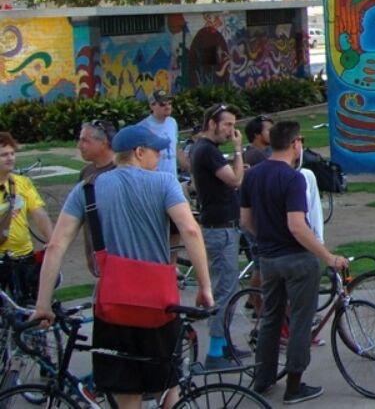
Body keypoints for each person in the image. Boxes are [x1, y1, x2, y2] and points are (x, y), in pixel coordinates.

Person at [32, 125, 212, 409]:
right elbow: (190, 230)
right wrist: (204, 286)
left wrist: (43, 304)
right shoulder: (165, 183)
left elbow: (55, 246)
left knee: (126, 389)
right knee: (167, 385)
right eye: (155, 151)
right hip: (159, 304)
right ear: (139, 152)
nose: (159, 157)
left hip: (113, 304)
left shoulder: (87, 189)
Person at [238, 120, 347, 402]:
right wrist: (328, 257)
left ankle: (263, 379)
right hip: (297, 259)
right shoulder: (293, 178)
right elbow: (297, 225)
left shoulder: (253, 175)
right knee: (300, 321)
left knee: (271, 318)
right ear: (295, 143)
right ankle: (294, 385)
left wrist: (267, 238)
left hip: (268, 258)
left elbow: (246, 220)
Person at [188, 103, 248, 370]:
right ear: (212, 123)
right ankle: (215, 352)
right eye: (227, 125)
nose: (231, 131)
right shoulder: (208, 151)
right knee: (224, 289)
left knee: (229, 287)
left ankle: (224, 344)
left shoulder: (205, 150)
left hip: (223, 226)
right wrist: (238, 150)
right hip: (220, 229)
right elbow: (235, 180)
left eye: (234, 125)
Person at [0, 133, 52, 305]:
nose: (10, 158)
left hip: (24, 256)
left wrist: (52, 241)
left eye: (12, 153)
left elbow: (39, 214)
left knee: (29, 304)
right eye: (4, 155)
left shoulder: (23, 183)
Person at [75, 120, 118, 277]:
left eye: (85, 141)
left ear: (104, 142)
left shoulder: (121, 171)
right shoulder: (86, 173)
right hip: (96, 258)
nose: (80, 146)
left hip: (120, 258)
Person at [137, 90, 181, 176]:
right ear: (152, 106)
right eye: (162, 104)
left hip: (172, 178)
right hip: (154, 179)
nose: (167, 107)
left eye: (169, 103)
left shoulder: (172, 122)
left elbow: (175, 147)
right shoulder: (143, 127)